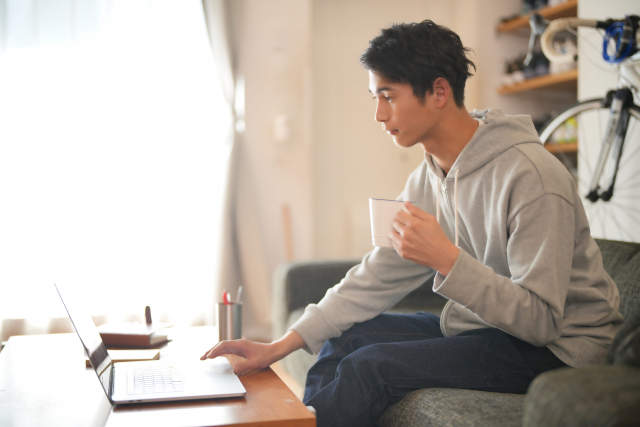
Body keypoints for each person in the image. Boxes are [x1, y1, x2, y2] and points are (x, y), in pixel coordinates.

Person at [201, 20, 624, 427]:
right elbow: (376, 275)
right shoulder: (428, 176)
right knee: (347, 339)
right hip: (486, 328)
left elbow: (542, 321)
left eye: (388, 96)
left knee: (372, 368)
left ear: (439, 91)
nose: (379, 115)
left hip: (558, 350)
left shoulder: (532, 175)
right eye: (375, 98)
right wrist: (278, 346)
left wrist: (447, 260)